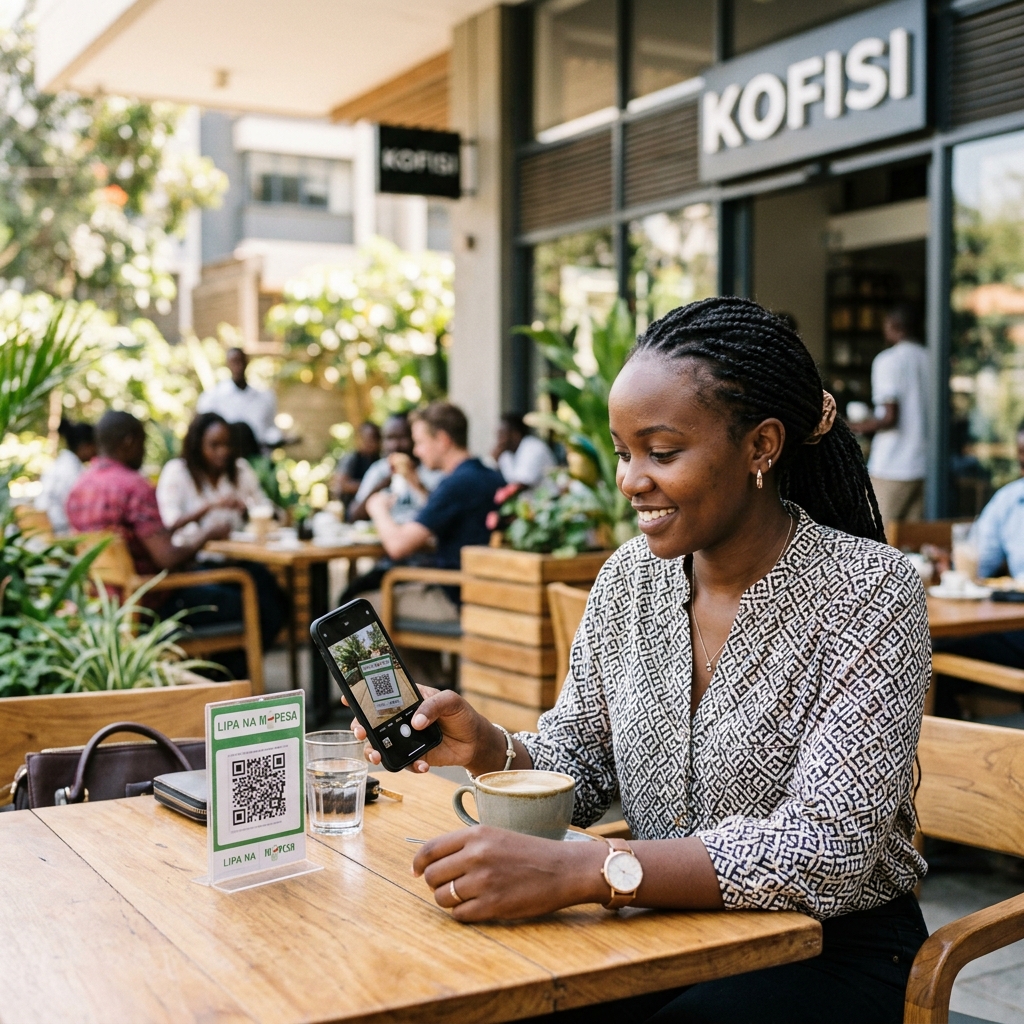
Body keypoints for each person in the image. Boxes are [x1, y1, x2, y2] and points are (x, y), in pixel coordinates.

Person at [353, 299, 931, 1024]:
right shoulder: (629, 579)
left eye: (660, 452)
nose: (629, 480)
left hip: (829, 948)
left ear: (762, 447)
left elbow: (829, 847)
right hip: (659, 927)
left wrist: (589, 871)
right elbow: (584, 762)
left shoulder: (872, 590)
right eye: (624, 452)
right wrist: (493, 747)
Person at [66, 412, 269, 679]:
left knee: (249, 587)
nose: (144, 450)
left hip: (109, 603)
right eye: (142, 442)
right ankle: (226, 682)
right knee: (259, 601)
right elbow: (167, 558)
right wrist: (206, 533)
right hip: (154, 602)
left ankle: (220, 681)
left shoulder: (81, 486)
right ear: (128, 442)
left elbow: (152, 536)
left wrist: (201, 514)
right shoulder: (133, 486)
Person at [359, 402, 502, 624]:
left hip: (456, 597)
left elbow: (397, 546)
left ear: (443, 440)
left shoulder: (455, 484)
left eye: (420, 442)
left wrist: (377, 509)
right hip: (486, 592)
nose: (415, 451)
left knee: (357, 605)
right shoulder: (488, 475)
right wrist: (416, 484)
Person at [850, 304, 929, 524]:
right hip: (926, 465)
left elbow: (889, 417)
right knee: (913, 542)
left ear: (893, 326)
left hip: (894, 465)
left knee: (877, 537)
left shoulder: (888, 361)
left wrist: (851, 426)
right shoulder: (931, 358)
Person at [156, 412, 267, 548]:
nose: (223, 451)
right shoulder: (177, 471)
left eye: (227, 445)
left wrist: (246, 510)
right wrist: (210, 507)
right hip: (194, 559)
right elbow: (169, 526)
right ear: (197, 445)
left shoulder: (240, 469)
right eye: (214, 445)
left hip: (239, 554)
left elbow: (267, 509)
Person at [347, 413, 443, 525]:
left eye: (402, 437)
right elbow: (353, 515)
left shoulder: (431, 468)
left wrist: (414, 480)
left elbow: (442, 513)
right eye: (389, 438)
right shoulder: (379, 470)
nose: (395, 445)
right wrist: (383, 483)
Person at [197, 347, 283, 448]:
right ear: (227, 364)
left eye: (241, 361)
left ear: (247, 363)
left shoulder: (265, 396)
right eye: (234, 362)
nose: (239, 366)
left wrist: (277, 438)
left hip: (258, 455)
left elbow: (270, 429)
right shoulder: (212, 397)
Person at [35, 419, 96, 534]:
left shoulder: (59, 464)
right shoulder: (74, 473)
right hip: (58, 532)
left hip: (45, 529)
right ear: (84, 446)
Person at [491, 413, 556, 490]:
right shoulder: (506, 455)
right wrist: (495, 461)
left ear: (515, 434)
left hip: (551, 498)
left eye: (502, 435)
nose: (499, 441)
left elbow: (521, 485)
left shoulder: (532, 447)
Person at [331, 422, 382, 506]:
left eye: (374, 439)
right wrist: (372, 486)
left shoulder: (379, 459)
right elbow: (342, 484)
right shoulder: (352, 458)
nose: (371, 443)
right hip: (352, 505)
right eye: (367, 439)